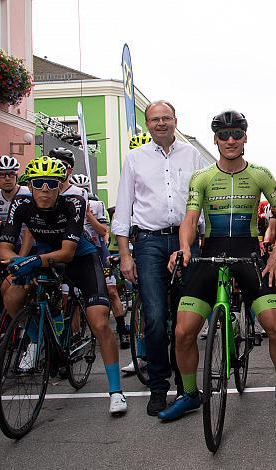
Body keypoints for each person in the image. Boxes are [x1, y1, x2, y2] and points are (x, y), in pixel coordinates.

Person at [158, 110, 276, 421]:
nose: (230, 140)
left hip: (249, 255)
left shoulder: (260, 174)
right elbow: (190, 220)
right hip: (210, 253)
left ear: (245, 137)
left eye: (236, 134)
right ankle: (190, 395)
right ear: (215, 139)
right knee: (183, 332)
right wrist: (183, 249)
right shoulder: (202, 177)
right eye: (223, 135)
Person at [0, 156, 127, 415]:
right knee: (9, 292)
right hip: (43, 257)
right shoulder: (20, 204)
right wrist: (18, 262)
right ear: (30, 186)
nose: (45, 189)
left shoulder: (74, 202)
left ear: (60, 186)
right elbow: (3, 249)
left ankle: (116, 392)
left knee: (100, 323)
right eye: (38, 184)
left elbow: (67, 253)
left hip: (79, 258)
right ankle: (37, 341)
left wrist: (30, 261)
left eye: (51, 184)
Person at [112, 100, 205, 416]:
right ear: (147, 124)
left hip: (185, 239)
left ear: (176, 120)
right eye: (155, 119)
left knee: (185, 320)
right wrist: (125, 254)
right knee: (153, 317)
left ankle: (185, 386)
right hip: (149, 242)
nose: (161, 123)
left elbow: (199, 203)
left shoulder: (192, 155)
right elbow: (123, 208)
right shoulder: (134, 158)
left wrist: (197, 240)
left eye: (166, 118)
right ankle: (158, 388)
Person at [69, 174, 130, 349]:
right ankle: (75, 337)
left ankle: (121, 329)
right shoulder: (66, 204)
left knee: (111, 291)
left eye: (86, 190)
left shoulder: (96, 205)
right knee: (71, 299)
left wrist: (89, 216)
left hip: (98, 252)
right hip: (77, 254)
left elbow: (103, 231)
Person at [0, 155, 27, 237]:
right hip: (9, 241)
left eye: (11, 174)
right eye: (2, 175)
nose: (7, 178)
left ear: (16, 176)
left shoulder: (29, 193)